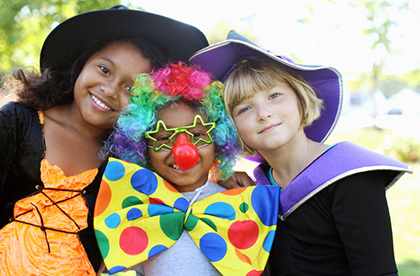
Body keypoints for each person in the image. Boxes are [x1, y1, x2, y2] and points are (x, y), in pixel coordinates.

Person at [0, 5, 209, 275]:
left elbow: (185, 183)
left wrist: (225, 178)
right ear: (81, 63)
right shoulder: (17, 121)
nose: (110, 90)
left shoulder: (129, 163)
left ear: (145, 104)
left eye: (131, 88)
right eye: (104, 70)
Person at [190, 30, 412, 276]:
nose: (264, 113)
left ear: (300, 98)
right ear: (231, 128)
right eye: (244, 109)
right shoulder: (255, 190)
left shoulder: (350, 177)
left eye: (274, 96)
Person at [93, 62, 281, 275]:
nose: (183, 150)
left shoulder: (241, 204)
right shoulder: (136, 209)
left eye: (198, 135)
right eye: (164, 138)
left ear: (218, 141)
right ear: (142, 148)